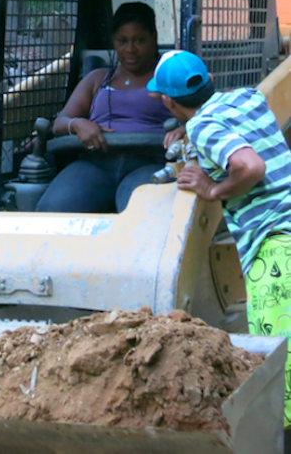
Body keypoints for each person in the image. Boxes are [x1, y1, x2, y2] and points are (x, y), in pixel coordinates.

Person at [147, 49, 291, 437]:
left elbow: (251, 166)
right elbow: (230, 126)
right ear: (208, 75)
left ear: (167, 101)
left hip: (276, 245)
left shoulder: (205, 127)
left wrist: (213, 188)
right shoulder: (248, 98)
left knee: (281, 365)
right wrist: (188, 130)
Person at [36, 2, 183, 213]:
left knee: (144, 214)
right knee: (54, 208)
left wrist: (182, 129)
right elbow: (60, 122)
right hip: (95, 164)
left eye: (139, 40)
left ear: (154, 37)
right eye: (122, 41)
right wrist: (78, 125)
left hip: (150, 162)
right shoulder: (97, 79)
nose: (130, 49)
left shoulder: (170, 77)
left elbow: (199, 116)